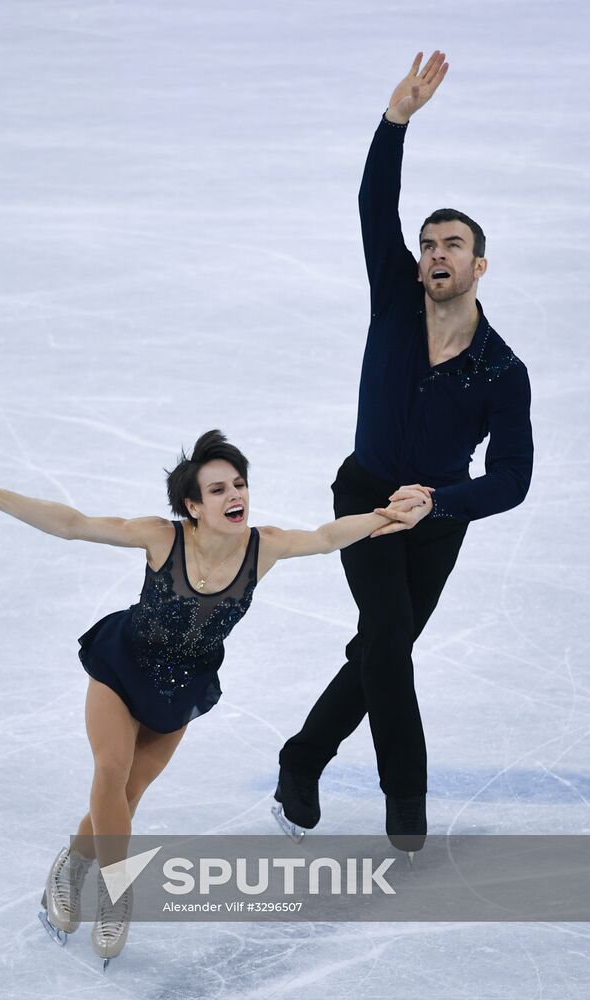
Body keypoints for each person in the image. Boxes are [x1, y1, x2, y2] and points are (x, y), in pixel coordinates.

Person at [0, 429, 427, 966]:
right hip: (121, 668)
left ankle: (71, 865)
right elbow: (73, 525)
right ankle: (116, 894)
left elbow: (324, 536)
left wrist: (388, 516)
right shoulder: (162, 537)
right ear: (192, 506)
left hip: (182, 687)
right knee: (110, 774)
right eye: (219, 489)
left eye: (240, 485)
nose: (235, 497)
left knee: (126, 799)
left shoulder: (263, 547)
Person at [275, 51, 534, 854]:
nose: (434, 254)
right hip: (363, 498)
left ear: (479, 264)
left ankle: (302, 757)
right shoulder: (394, 293)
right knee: (387, 637)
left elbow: (514, 480)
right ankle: (406, 796)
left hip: (437, 521)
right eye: (428, 243)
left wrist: (440, 503)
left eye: (451, 244)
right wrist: (396, 122)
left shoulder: (501, 370)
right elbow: (370, 201)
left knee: (378, 649)